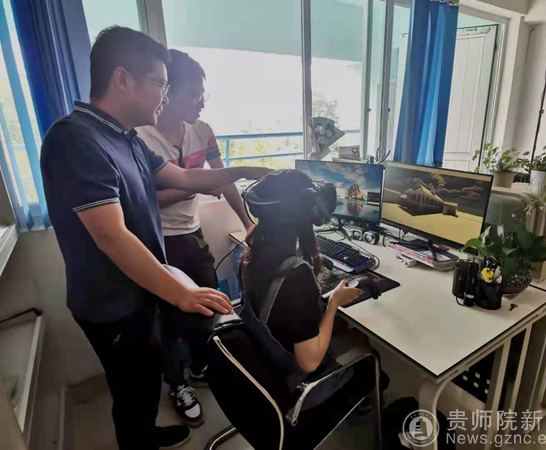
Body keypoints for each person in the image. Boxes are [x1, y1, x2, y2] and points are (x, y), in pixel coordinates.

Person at [41, 26, 270, 450]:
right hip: (110, 303)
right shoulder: (75, 138)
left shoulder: (125, 138)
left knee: (145, 381)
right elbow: (111, 237)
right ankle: (139, 439)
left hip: (138, 292)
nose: (165, 95)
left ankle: (147, 432)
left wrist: (245, 170)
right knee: (132, 392)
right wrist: (179, 292)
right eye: (160, 83)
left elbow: (185, 177)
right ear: (122, 79)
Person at [136, 49, 253, 425]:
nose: (201, 102)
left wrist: (248, 223)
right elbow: (143, 200)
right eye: (193, 94)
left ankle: (204, 366)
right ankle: (177, 383)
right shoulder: (140, 137)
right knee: (169, 318)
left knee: (211, 301)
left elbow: (225, 180)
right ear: (167, 93)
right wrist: (193, 188)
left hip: (192, 233)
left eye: (204, 94)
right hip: (157, 241)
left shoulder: (203, 131)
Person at [241, 170, 364, 375]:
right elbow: (309, 362)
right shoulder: (296, 276)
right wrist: (334, 303)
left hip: (267, 355)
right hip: (295, 376)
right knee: (361, 340)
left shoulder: (250, 258)